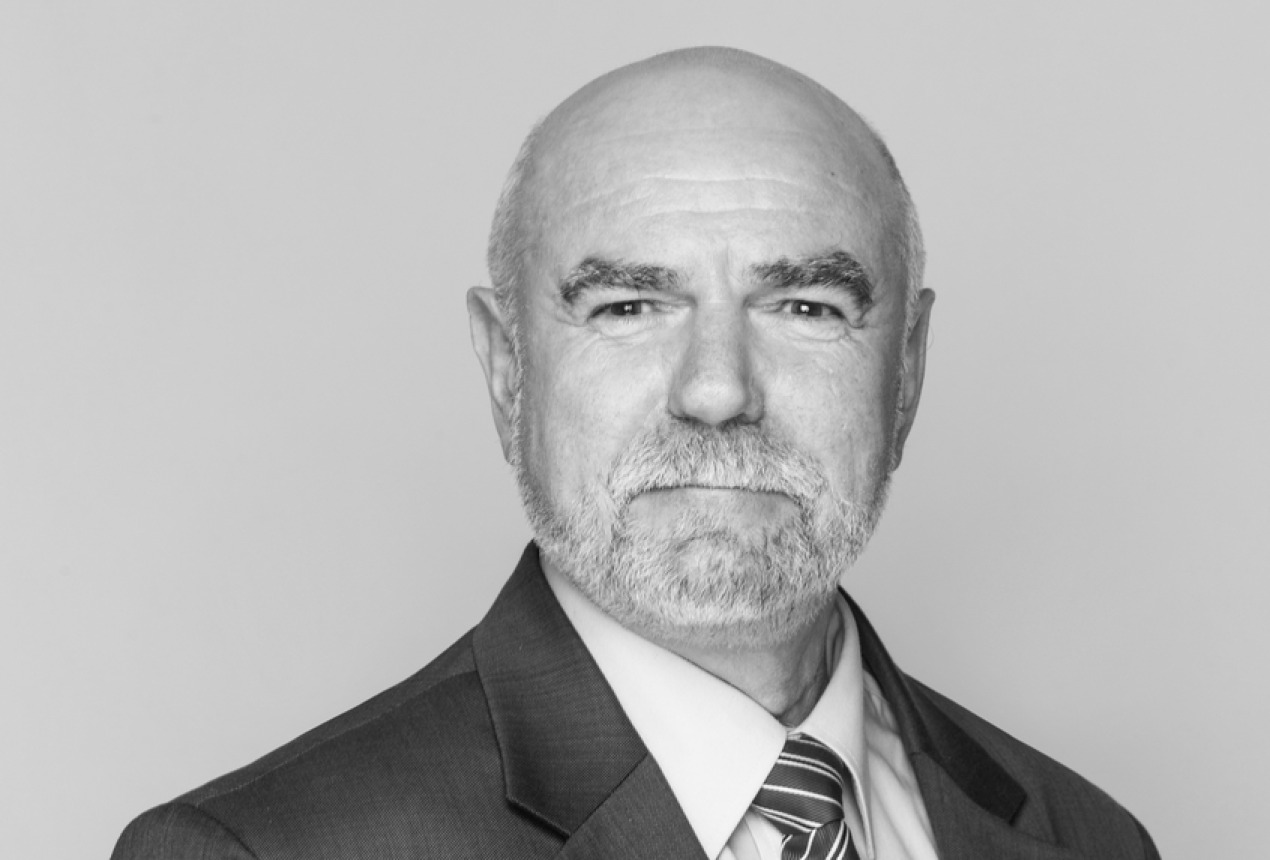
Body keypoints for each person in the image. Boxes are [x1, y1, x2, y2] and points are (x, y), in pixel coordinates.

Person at [112, 47, 1159, 860]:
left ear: (909, 367)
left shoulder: (1088, 837)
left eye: (805, 305)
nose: (717, 391)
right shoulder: (267, 851)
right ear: (507, 368)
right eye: (627, 306)